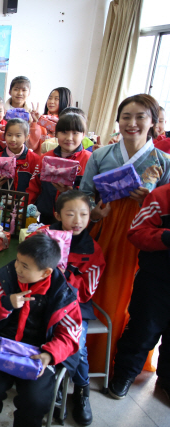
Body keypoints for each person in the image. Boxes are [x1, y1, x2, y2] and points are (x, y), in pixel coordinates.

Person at [79, 94, 170, 376]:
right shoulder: (100, 155)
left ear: (153, 122)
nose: (132, 123)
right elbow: (83, 197)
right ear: (117, 121)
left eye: (140, 116)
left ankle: (121, 364)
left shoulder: (164, 161)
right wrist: (93, 213)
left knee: (134, 299)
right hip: (104, 231)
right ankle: (89, 359)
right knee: (98, 291)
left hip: (144, 236)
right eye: (126, 117)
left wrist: (149, 200)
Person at [0, 234, 82, 427]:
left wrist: (49, 354)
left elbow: (70, 334)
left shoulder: (64, 294)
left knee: (35, 401)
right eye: (17, 261)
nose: (17, 268)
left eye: (25, 266)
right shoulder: (5, 277)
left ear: (46, 272)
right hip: (3, 347)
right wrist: (6, 303)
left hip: (39, 353)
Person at [46, 191, 105, 425]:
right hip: (45, 302)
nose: (77, 220)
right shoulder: (45, 237)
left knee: (76, 346)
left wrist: (63, 277)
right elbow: (29, 268)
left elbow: (88, 289)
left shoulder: (93, 249)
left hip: (76, 307)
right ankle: (53, 385)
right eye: (70, 214)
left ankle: (81, 391)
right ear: (58, 214)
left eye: (84, 214)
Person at [108, 182, 170, 401]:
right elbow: (136, 233)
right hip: (157, 280)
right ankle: (124, 374)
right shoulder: (161, 196)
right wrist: (165, 237)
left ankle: (166, 380)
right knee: (143, 329)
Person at [27, 113, 92, 224]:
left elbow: (91, 196)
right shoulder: (45, 158)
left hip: (74, 221)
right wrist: (24, 210)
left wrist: (71, 191)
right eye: (64, 132)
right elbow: (33, 188)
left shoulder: (89, 159)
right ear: (56, 134)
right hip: (44, 217)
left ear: (83, 135)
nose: (69, 138)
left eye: (75, 133)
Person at [0, 118, 39, 192]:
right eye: (9, 135)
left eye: (18, 136)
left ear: (27, 137)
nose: (13, 139)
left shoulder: (35, 160)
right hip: (1, 202)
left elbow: (37, 187)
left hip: (26, 202)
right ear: (4, 135)